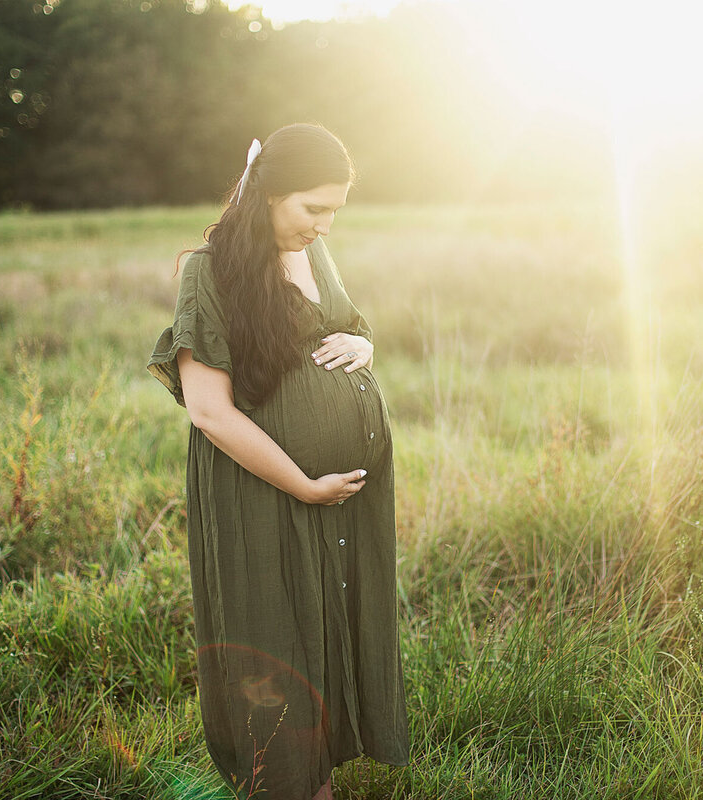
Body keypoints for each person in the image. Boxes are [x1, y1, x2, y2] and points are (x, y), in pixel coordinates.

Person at [146, 123, 410, 800]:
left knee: (325, 630)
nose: (323, 227)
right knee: (273, 637)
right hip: (263, 491)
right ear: (266, 192)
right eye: (312, 208)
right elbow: (209, 411)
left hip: (333, 497)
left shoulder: (313, 256)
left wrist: (364, 349)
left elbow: (348, 324)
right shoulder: (207, 273)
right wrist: (302, 485)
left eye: (334, 212)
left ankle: (316, 779)